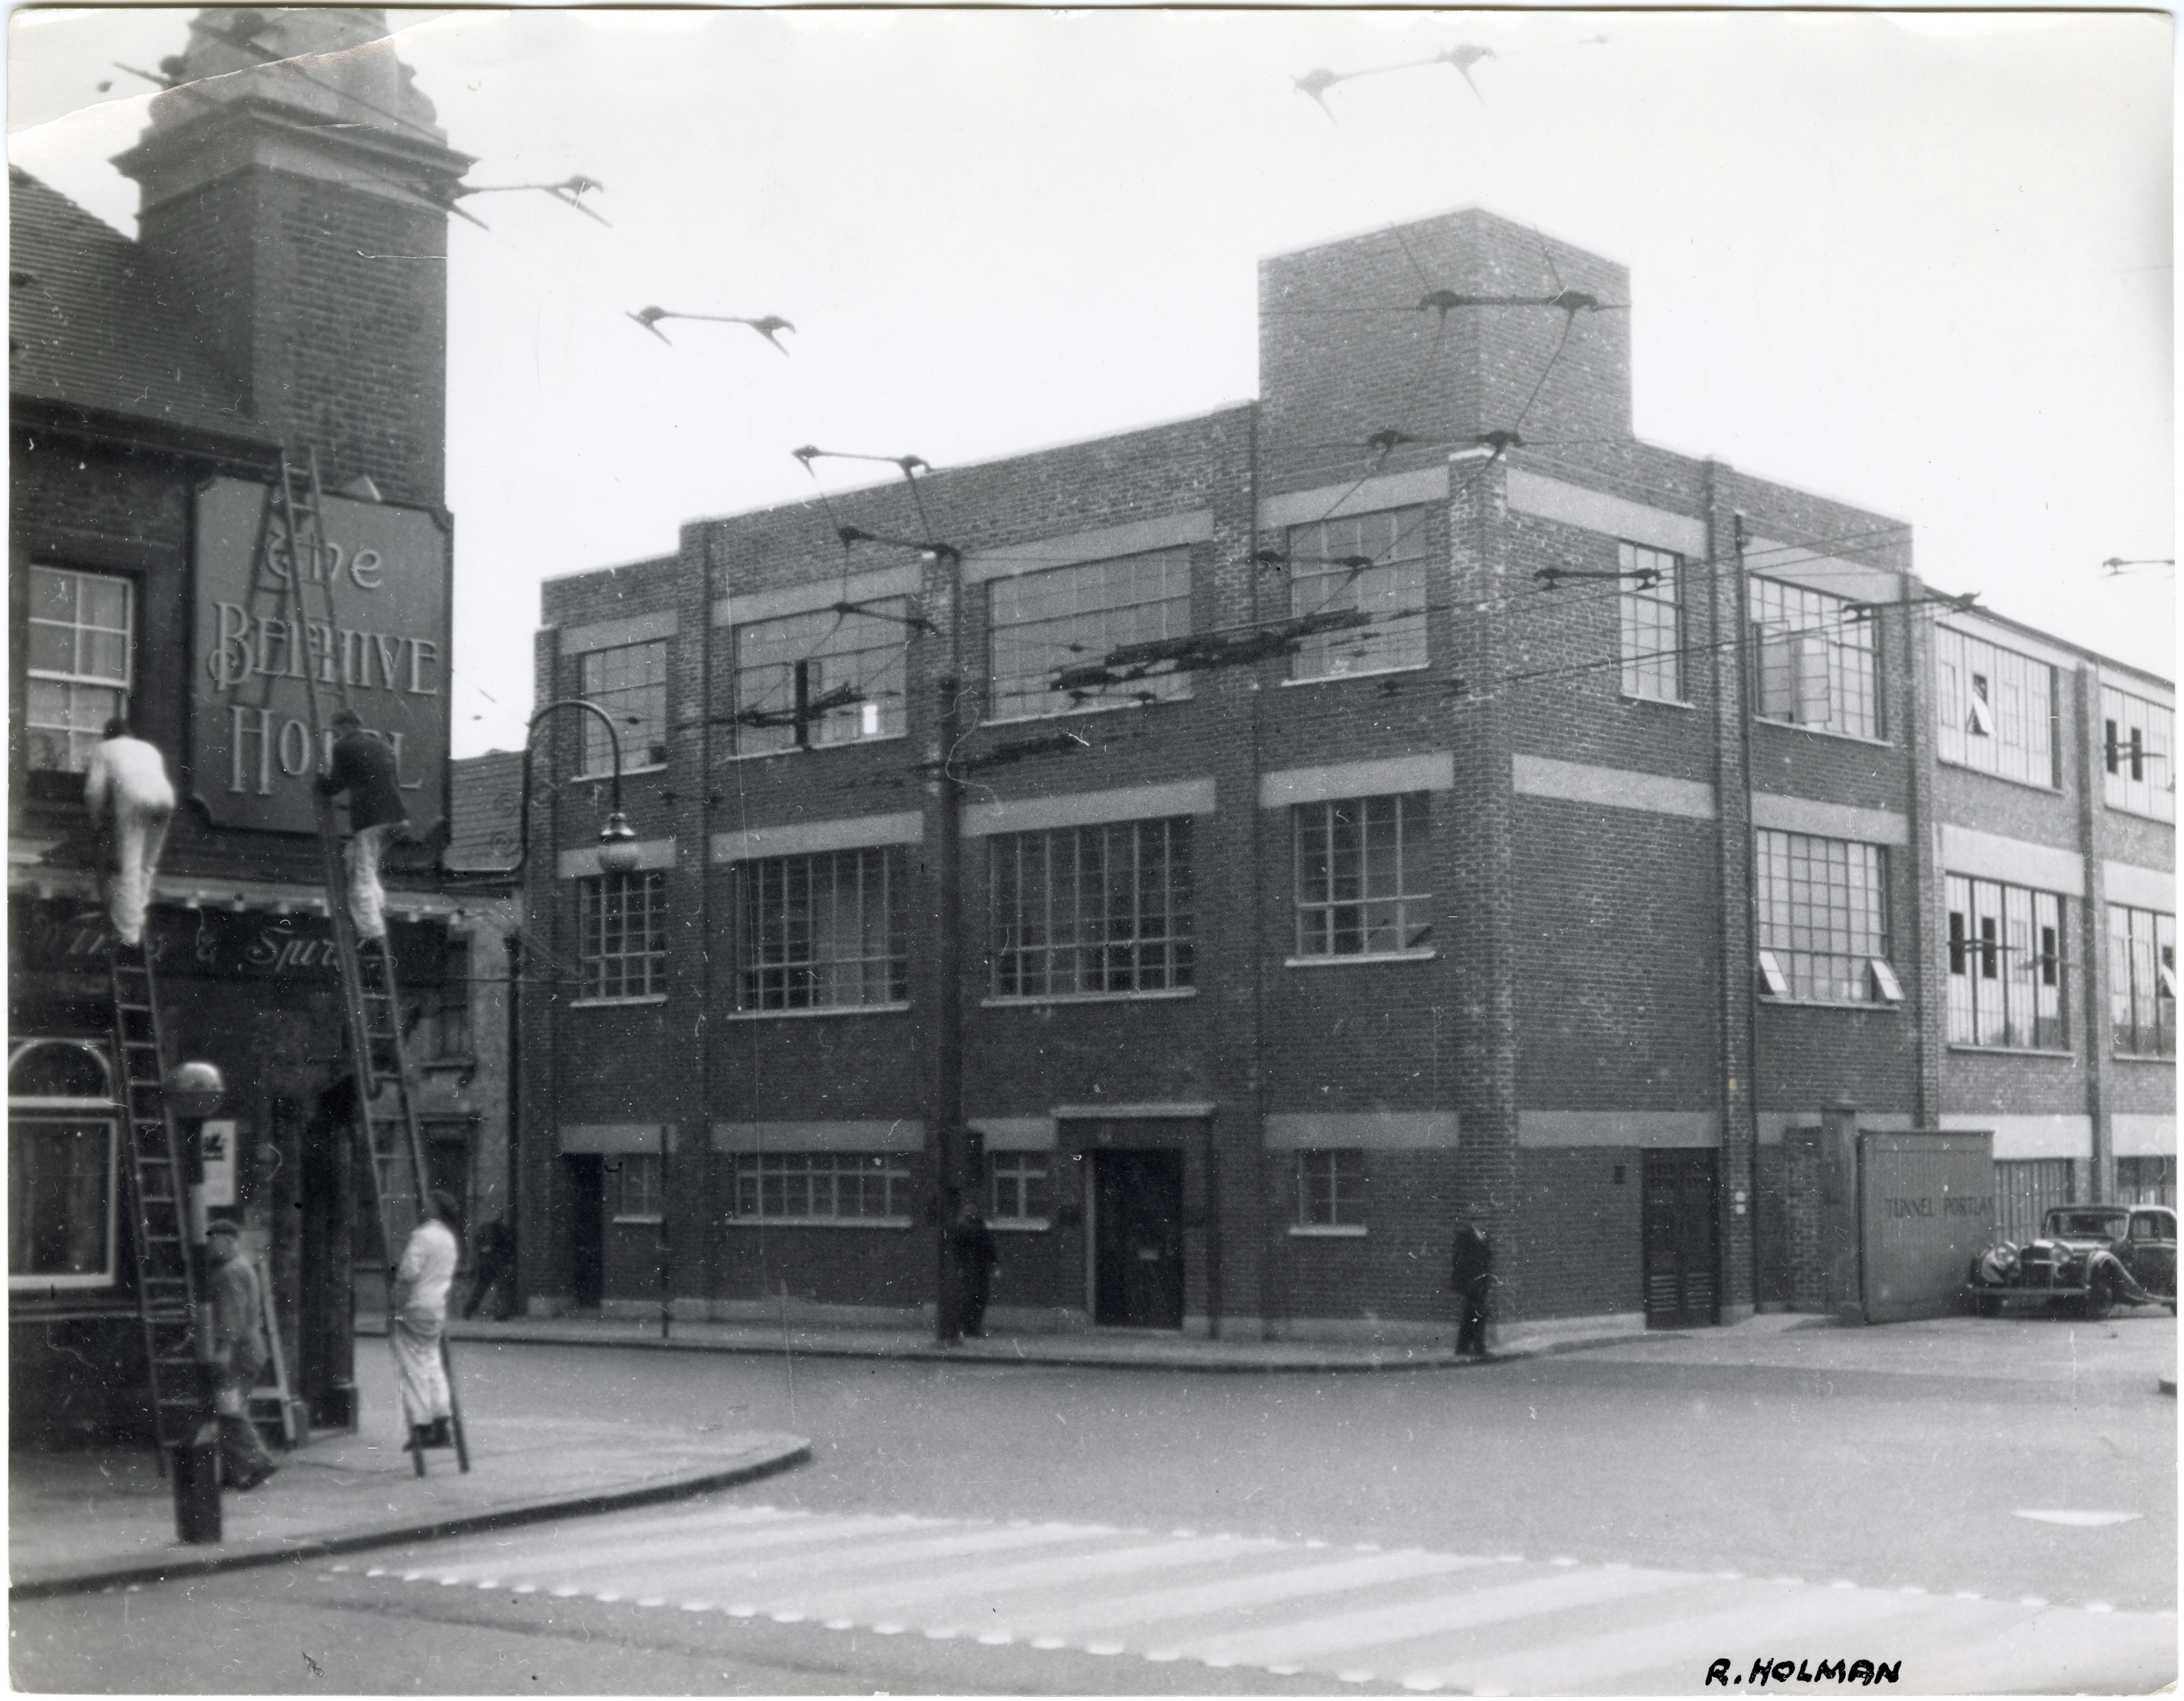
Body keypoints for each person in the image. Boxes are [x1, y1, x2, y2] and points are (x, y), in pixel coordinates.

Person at [315, 709, 408, 943]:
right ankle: (380, 905)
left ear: (342, 727)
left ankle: (374, 931)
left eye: (336, 728)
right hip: (397, 817)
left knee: (360, 881)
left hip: (371, 820)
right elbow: (387, 782)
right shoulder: (383, 746)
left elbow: (334, 785)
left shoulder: (343, 746)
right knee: (359, 858)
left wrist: (320, 782)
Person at [81, 718, 174, 947]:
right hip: (166, 798)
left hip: (134, 798)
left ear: (107, 735)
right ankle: (138, 914)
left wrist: (95, 822)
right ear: (130, 733)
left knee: (128, 868)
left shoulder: (103, 749)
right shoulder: (149, 749)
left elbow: (93, 792)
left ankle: (129, 935)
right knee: (148, 864)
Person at [205, 1220, 278, 1491]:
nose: (209, 1248)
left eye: (213, 1242)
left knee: (229, 1409)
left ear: (226, 1242)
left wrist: (223, 1351)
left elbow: (230, 1317)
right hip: (248, 1351)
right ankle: (234, 1472)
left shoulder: (229, 1273)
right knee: (230, 1408)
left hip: (237, 1353)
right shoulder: (239, 1267)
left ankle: (259, 1461)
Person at [391, 1189, 462, 1451]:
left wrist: (395, 1303)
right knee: (432, 1361)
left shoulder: (423, 1237)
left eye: (427, 1205)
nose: (423, 1208)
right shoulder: (449, 1239)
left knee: (412, 1365)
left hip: (416, 1306)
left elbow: (409, 1273)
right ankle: (442, 1420)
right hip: (436, 1308)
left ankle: (421, 1425)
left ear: (435, 1210)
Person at [950, 1199, 998, 1339]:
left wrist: (994, 1264)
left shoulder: (979, 1225)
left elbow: (989, 1246)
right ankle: (968, 1328)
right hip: (970, 1268)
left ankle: (973, 1328)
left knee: (980, 1298)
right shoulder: (962, 1228)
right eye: (970, 1210)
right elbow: (957, 1250)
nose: (972, 1213)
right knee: (970, 1298)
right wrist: (959, 1266)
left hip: (980, 1268)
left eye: (974, 1210)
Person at [1451, 1216, 1493, 1359]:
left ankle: (1463, 1347)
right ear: (1475, 1221)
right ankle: (1478, 1347)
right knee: (1478, 1314)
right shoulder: (1466, 1237)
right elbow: (1459, 1260)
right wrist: (1469, 1279)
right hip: (1471, 1284)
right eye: (1483, 1220)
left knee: (1471, 1315)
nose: (1485, 1223)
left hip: (1480, 1284)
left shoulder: (1484, 1237)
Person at [463, 1216, 517, 1321]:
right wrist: (509, 1262)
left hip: (484, 1262)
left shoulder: (482, 1230)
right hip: (498, 1261)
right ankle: (501, 1314)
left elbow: (476, 1247)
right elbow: (508, 1248)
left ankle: (468, 1310)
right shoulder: (502, 1230)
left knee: (481, 1287)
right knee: (502, 1288)